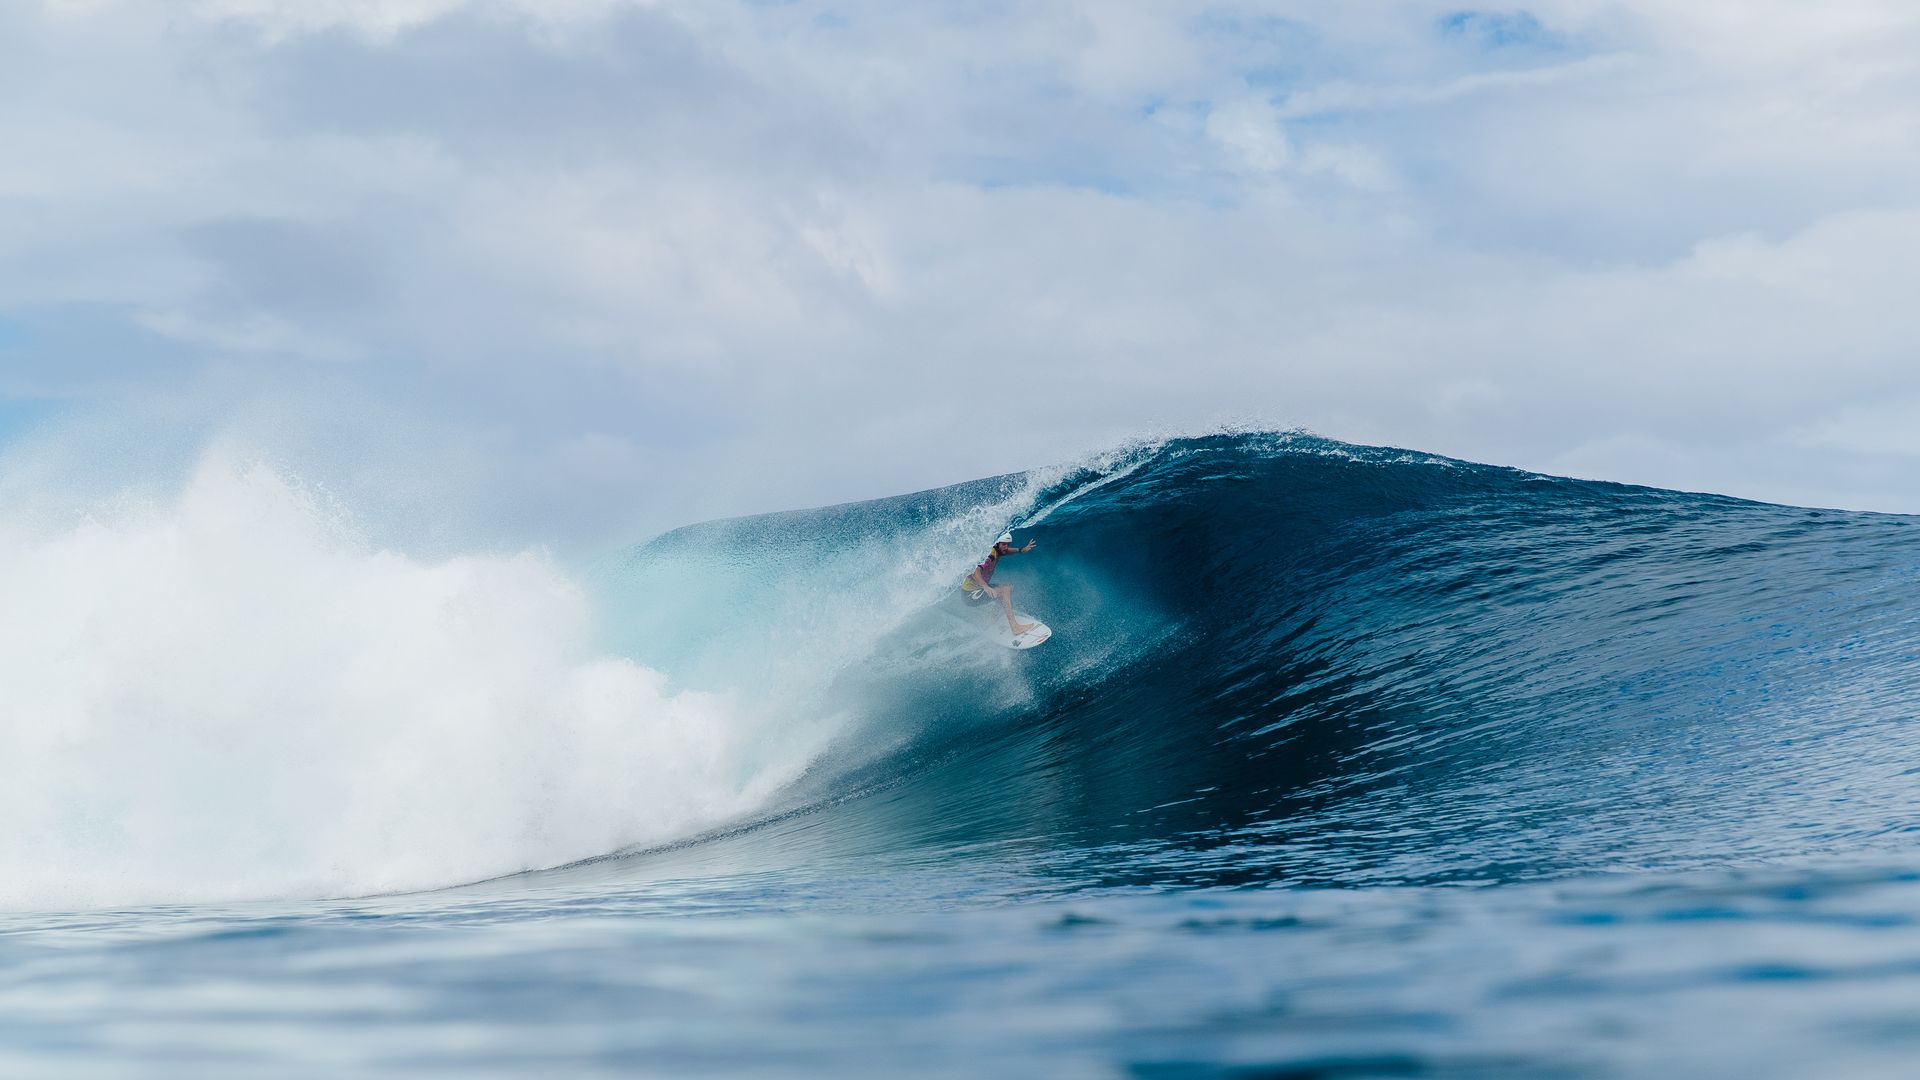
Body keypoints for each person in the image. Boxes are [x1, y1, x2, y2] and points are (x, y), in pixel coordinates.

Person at [961, 531, 1038, 635]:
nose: (1006, 547)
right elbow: (976, 572)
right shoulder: (990, 556)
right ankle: (1015, 627)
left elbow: (1007, 551)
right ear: (997, 544)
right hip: (969, 594)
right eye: (1003, 544)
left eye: (1007, 544)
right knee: (1004, 590)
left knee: (1009, 587)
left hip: (978, 589)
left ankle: (991, 619)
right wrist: (985, 587)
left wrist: (1021, 550)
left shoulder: (998, 550)